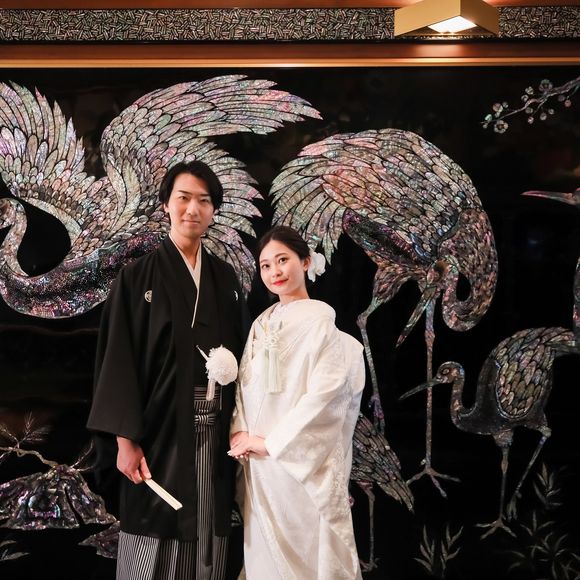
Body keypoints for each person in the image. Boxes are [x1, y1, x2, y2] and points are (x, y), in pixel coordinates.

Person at [87, 160, 249, 580]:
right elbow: (118, 359)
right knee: (154, 532)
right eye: (184, 198)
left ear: (213, 211)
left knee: (207, 531)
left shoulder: (226, 280)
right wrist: (124, 440)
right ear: (166, 204)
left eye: (204, 201)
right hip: (156, 431)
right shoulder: (136, 277)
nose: (193, 209)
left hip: (214, 431)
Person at [229, 225, 365, 580]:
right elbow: (244, 384)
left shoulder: (322, 324)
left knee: (304, 556)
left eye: (283, 260)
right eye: (265, 265)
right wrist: (239, 430)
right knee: (262, 557)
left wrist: (272, 443)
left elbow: (325, 398)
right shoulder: (261, 324)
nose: (274, 271)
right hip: (259, 466)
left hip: (294, 461)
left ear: (305, 262)